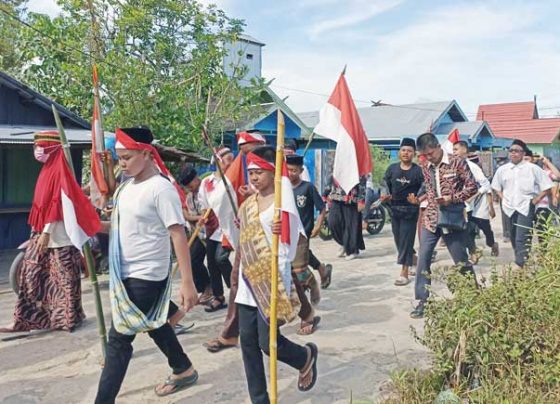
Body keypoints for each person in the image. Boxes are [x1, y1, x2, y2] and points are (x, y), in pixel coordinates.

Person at [95, 127, 199, 402]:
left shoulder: (160, 188)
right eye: (119, 158)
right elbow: (117, 227)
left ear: (146, 153)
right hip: (123, 272)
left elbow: (178, 233)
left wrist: (187, 282)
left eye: (127, 157)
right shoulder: (126, 188)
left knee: (119, 341)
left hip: (147, 274)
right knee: (154, 324)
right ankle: (183, 368)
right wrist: (91, 225)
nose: (122, 164)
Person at [236, 146, 318, 403]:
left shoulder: (283, 202)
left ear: (272, 172)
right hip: (247, 279)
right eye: (251, 173)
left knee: (266, 341)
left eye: (259, 172)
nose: (254, 177)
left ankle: (304, 356)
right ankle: (259, 399)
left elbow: (288, 245)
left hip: (270, 279)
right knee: (247, 343)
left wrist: (278, 278)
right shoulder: (249, 203)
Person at [1, 131, 100, 333]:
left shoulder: (60, 173)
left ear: (52, 148)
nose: (37, 151)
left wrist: (46, 231)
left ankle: (68, 319)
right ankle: (25, 320)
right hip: (40, 233)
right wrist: (38, 231)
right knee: (31, 277)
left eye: (41, 146)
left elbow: (58, 205)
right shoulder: (47, 170)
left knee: (64, 280)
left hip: (59, 237)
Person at [204, 130, 267, 353]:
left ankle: (305, 312)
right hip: (249, 235)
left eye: (249, 154)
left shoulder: (279, 177)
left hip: (270, 240)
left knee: (286, 278)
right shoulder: (248, 174)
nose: (244, 160)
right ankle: (230, 334)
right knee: (237, 281)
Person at [409, 133, 479, 319]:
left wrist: (452, 198)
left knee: (460, 259)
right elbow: (429, 188)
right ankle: (423, 300)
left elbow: (473, 186)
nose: (428, 157)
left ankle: (473, 296)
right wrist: (420, 198)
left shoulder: (457, 162)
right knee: (423, 257)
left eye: (430, 153)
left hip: (452, 217)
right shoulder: (425, 165)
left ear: (438, 146)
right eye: (425, 155)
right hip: (431, 217)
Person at [286, 153, 330, 334]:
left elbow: (322, 208)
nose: (291, 174)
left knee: (299, 272)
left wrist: (318, 225)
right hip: (286, 236)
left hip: (303, 234)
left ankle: (312, 284)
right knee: (290, 274)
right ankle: (310, 287)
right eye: (288, 170)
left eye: (294, 170)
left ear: (301, 171)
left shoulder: (307, 188)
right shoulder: (283, 190)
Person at [491, 139, 552, 268]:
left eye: (517, 151)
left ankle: (521, 265)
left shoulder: (533, 169)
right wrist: (503, 198)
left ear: (523, 153)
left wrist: (535, 200)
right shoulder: (503, 169)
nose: (513, 153)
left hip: (526, 207)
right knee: (512, 236)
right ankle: (522, 260)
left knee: (522, 237)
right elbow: (496, 186)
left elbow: (547, 186)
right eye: (511, 151)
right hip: (509, 207)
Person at [381, 138, 423, 286]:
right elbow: (384, 183)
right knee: (399, 240)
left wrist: (417, 200)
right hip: (394, 210)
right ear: (399, 152)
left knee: (406, 239)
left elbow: (424, 189)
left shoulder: (418, 171)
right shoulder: (392, 169)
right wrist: (384, 194)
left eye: (409, 151)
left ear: (414, 154)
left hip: (410, 211)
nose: (406, 153)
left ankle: (404, 272)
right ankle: (412, 258)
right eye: (404, 150)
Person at [198, 147, 235, 312]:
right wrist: (202, 216)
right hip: (212, 228)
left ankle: (236, 288)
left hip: (228, 227)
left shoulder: (232, 181)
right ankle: (219, 296)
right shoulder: (207, 183)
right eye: (228, 160)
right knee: (212, 263)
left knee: (221, 259)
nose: (231, 163)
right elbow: (203, 205)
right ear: (219, 161)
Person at [452, 141, 499, 261]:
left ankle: (492, 244)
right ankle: (473, 253)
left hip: (479, 204)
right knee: (468, 231)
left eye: (456, 149)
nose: (454, 152)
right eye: (453, 150)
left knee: (485, 229)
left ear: (464, 151)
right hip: (465, 206)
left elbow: (486, 184)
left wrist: (489, 205)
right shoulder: (452, 167)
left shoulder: (472, 167)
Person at [178, 165, 212, 304]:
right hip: (198, 234)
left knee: (216, 262)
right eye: (186, 186)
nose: (189, 187)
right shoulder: (190, 197)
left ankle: (217, 291)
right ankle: (205, 288)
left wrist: (198, 218)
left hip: (212, 232)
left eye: (190, 183)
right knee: (192, 260)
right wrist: (197, 218)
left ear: (196, 179)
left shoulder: (207, 190)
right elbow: (187, 215)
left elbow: (209, 212)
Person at [326, 174, 366, 261]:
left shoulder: (355, 162)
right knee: (333, 222)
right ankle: (344, 243)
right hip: (336, 196)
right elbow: (333, 174)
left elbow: (362, 177)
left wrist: (361, 200)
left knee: (350, 226)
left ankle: (352, 250)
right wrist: (325, 193)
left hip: (352, 199)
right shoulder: (337, 161)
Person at [531, 155, 560, 243]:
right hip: (528, 204)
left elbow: (558, 176)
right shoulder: (529, 171)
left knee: (542, 230)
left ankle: (543, 252)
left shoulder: (545, 173)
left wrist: (547, 162)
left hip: (542, 205)